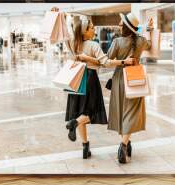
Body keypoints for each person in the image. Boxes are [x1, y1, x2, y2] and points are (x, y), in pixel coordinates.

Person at [51, 8, 135, 159]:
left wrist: (59, 15)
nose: (93, 29)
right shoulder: (93, 45)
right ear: (84, 31)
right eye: (91, 28)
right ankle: (74, 122)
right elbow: (106, 62)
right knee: (92, 112)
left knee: (80, 111)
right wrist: (123, 61)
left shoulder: (72, 43)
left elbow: (63, 32)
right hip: (89, 79)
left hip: (75, 80)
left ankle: (85, 147)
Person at [107, 13, 153, 164]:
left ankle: (124, 144)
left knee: (122, 112)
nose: (119, 26)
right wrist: (149, 30)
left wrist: (121, 62)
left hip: (119, 79)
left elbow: (107, 60)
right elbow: (150, 44)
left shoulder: (117, 42)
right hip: (135, 79)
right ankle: (126, 144)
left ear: (126, 27)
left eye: (121, 24)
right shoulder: (140, 41)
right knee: (131, 113)